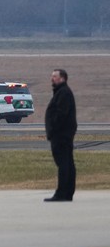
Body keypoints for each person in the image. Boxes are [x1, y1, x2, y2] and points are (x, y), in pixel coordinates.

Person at [44, 68, 77, 202]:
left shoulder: (64, 93)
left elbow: (60, 114)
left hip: (61, 135)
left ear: (62, 78)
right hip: (63, 134)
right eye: (52, 76)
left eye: (54, 76)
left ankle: (62, 193)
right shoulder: (61, 92)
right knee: (67, 163)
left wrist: (53, 129)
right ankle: (67, 193)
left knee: (64, 164)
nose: (52, 78)